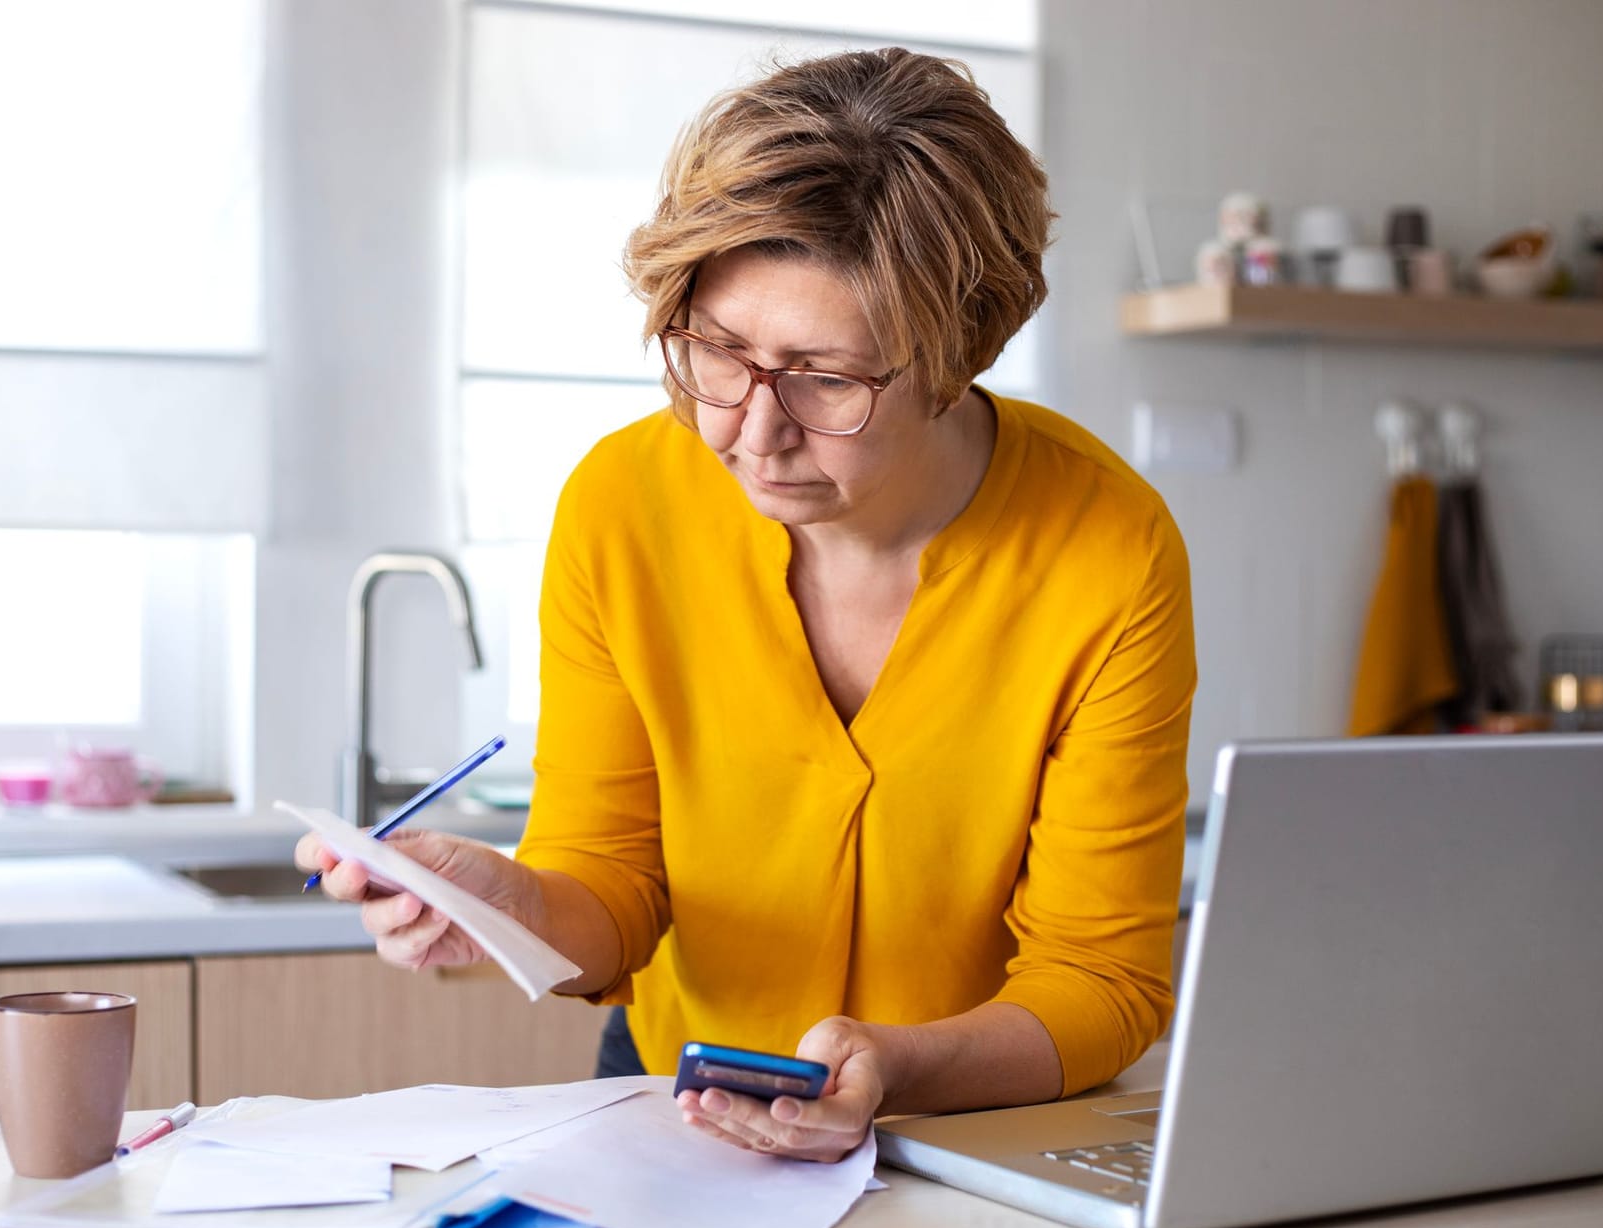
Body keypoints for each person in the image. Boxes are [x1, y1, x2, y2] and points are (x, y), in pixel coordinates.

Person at [297, 46, 1195, 1164]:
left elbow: (1103, 979)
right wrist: (508, 901)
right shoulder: (623, 502)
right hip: (681, 1108)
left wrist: (894, 1066)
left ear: (959, 357)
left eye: (827, 378)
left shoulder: (1109, 547)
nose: (750, 432)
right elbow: (612, 896)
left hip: (979, 1128)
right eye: (719, 352)